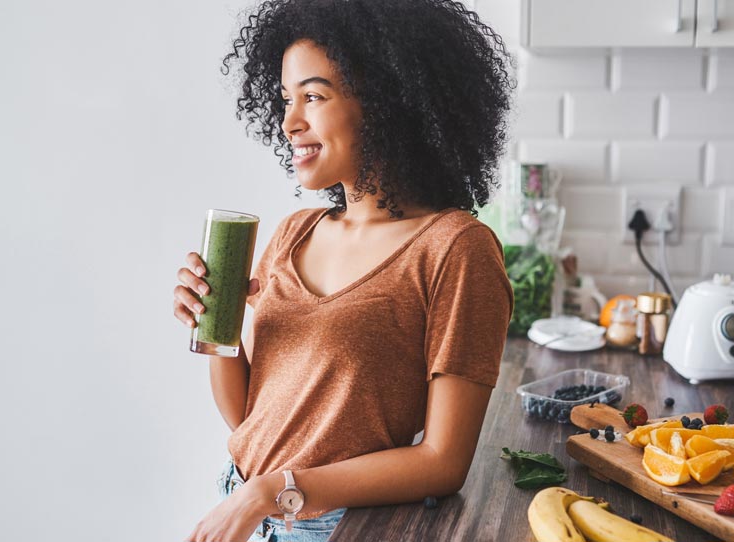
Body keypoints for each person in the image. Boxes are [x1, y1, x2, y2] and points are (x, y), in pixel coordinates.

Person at [172, 1, 515, 540]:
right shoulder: (292, 234)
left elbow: (443, 462)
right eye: (287, 100)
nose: (289, 122)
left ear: (387, 101)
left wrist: (274, 492)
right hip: (236, 503)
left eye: (313, 96)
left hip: (334, 526)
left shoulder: (456, 250)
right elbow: (249, 419)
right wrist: (219, 328)